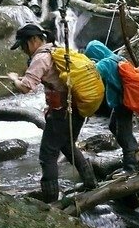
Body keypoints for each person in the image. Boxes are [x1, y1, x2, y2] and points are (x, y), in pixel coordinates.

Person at [7, 23, 97, 203]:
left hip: (61, 112)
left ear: (33, 40)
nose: (24, 50)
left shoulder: (40, 58)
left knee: (47, 155)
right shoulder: (56, 50)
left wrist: (14, 79)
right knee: (67, 145)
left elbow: (26, 87)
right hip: (77, 108)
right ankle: (91, 183)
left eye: (24, 45)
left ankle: (50, 201)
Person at [83, 40, 139, 172]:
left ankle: (130, 167)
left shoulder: (106, 62)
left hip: (122, 103)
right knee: (112, 126)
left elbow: (91, 75)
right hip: (125, 100)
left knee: (123, 135)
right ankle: (135, 148)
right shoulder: (119, 58)